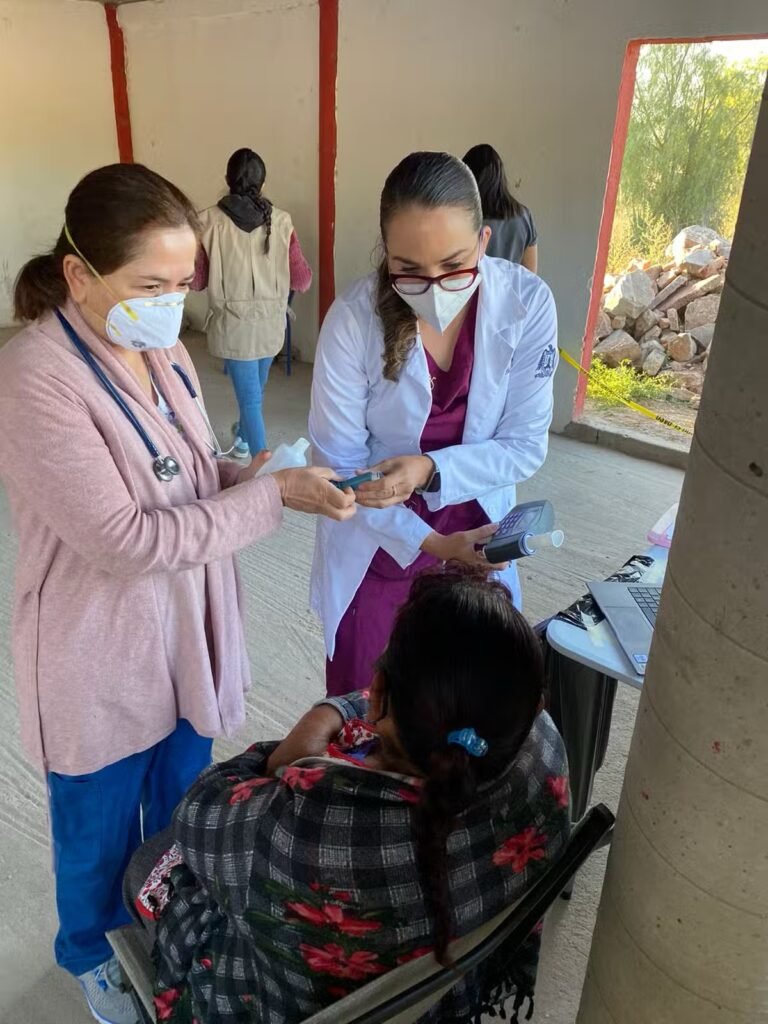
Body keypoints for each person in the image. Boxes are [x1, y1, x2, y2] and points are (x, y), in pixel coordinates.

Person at [0, 163, 354, 1024]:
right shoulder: (36, 376)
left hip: (188, 631)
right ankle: (92, 955)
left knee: (181, 810)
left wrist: (255, 475)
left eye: (180, 284)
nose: (170, 305)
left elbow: (186, 475)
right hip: (100, 648)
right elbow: (126, 539)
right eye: (148, 285)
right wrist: (269, 498)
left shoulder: (162, 351)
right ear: (79, 273)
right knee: (97, 829)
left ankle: (165, 920)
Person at [125, 567, 570, 1024]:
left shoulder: (300, 828)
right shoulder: (543, 751)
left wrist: (294, 746)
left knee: (146, 863)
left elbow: (198, 812)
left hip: (277, 1004)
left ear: (378, 694)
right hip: (451, 994)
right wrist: (332, 711)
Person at [309, 151, 558, 697]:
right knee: (371, 702)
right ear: (386, 254)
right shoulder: (353, 321)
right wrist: (431, 541)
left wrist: (428, 470)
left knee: (470, 697)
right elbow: (340, 471)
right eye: (410, 270)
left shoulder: (526, 303)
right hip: (380, 536)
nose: (435, 286)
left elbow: (523, 445)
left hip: (479, 530)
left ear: (485, 242)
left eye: (454, 264)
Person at [195, 148, 313, 459]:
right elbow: (302, 280)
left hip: (232, 325)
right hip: (271, 323)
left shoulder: (207, 222)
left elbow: (197, 280)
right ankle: (244, 438)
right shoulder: (282, 221)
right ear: (263, 183)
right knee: (254, 396)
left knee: (251, 400)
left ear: (227, 179)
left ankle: (263, 467)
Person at [463, 144, 538, 273]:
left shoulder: (462, 217)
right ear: (500, 176)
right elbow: (530, 274)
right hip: (511, 286)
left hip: (473, 286)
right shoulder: (523, 216)